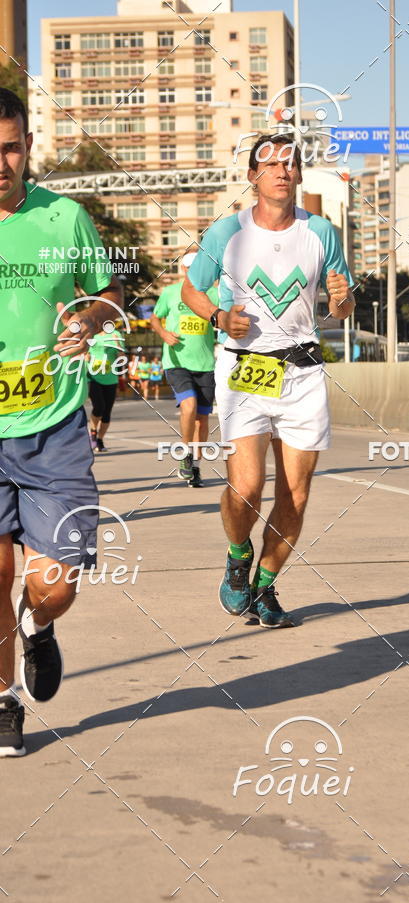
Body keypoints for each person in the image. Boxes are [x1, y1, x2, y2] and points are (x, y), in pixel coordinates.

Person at [181, 133, 355, 628]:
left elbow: (342, 309)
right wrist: (217, 316)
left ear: (299, 174)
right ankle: (239, 557)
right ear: (253, 175)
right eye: (269, 163)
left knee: (295, 495)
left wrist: (341, 299)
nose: (281, 170)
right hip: (244, 367)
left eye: (290, 162)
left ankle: (264, 585)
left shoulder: (321, 232)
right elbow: (191, 288)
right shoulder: (226, 233)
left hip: (302, 371)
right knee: (248, 487)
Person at [0, 87, 122, 756]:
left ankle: (38, 626)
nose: (1, 162)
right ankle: (3, 701)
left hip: (54, 429)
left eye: (11, 147)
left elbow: (108, 293)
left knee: (55, 582)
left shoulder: (65, 218)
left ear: (27, 146)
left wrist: (89, 317)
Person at [150, 254, 216, 488]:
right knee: (189, 406)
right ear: (183, 269)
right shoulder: (170, 292)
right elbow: (155, 319)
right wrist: (164, 333)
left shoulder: (214, 294)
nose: (193, 272)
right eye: (189, 268)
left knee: (202, 420)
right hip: (177, 361)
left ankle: (196, 467)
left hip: (206, 364)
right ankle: (186, 454)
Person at [87, 323, 126, 452]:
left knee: (106, 412)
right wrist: (86, 356)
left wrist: (118, 345)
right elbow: (84, 351)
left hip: (110, 378)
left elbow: (122, 359)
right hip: (92, 376)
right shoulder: (91, 332)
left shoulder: (116, 334)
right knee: (99, 406)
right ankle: (93, 433)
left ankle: (100, 439)